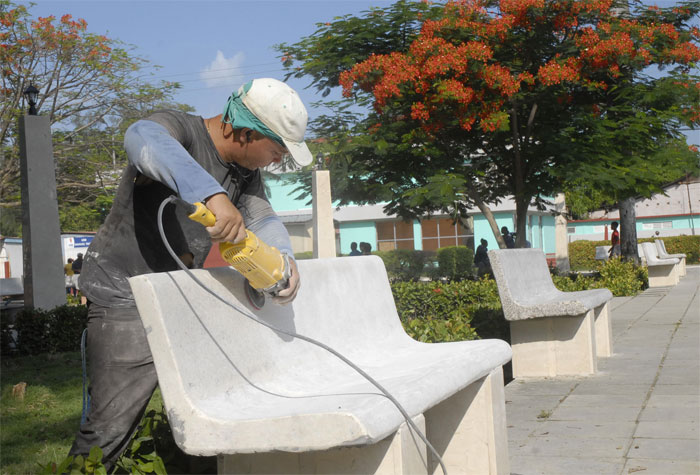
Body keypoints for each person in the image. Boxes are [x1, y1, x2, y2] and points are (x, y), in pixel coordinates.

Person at [69, 78, 312, 469]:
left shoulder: (244, 172)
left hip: (180, 291)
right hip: (124, 291)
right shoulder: (180, 130)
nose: (276, 161)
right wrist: (211, 194)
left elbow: (262, 218)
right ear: (247, 132)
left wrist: (284, 261)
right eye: (276, 150)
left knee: (205, 412)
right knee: (109, 427)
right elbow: (140, 135)